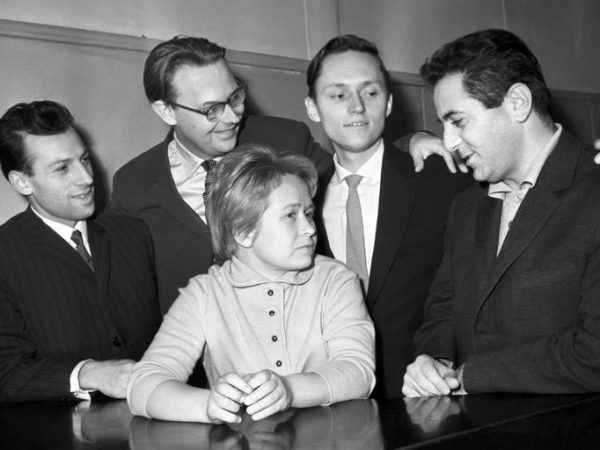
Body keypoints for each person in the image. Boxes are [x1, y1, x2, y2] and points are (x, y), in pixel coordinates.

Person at [403, 29, 600, 397]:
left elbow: (595, 355)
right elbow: (444, 308)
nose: (449, 142)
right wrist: (435, 362)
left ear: (518, 103)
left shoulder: (593, 194)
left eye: (458, 121)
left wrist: (469, 377)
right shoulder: (465, 206)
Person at [127, 144, 375, 423]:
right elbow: (142, 385)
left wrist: (289, 389)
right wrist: (208, 404)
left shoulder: (335, 281)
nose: (310, 228)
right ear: (243, 231)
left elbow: (359, 371)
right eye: (290, 216)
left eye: (308, 213)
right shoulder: (204, 294)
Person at [109, 36, 332, 313]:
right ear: (166, 111)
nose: (232, 117)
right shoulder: (133, 185)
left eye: (235, 97)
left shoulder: (288, 141)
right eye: (212, 109)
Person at [303, 35, 470, 398]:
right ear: (313, 108)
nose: (357, 107)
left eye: (370, 92)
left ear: (389, 102)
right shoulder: (303, 201)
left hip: (429, 397)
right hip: (335, 401)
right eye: (338, 95)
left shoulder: (442, 178)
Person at [0, 100, 161, 402]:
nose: (87, 178)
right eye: (63, 168)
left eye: (84, 159)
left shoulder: (133, 233)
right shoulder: (5, 254)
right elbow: (6, 373)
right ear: (22, 182)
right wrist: (88, 374)